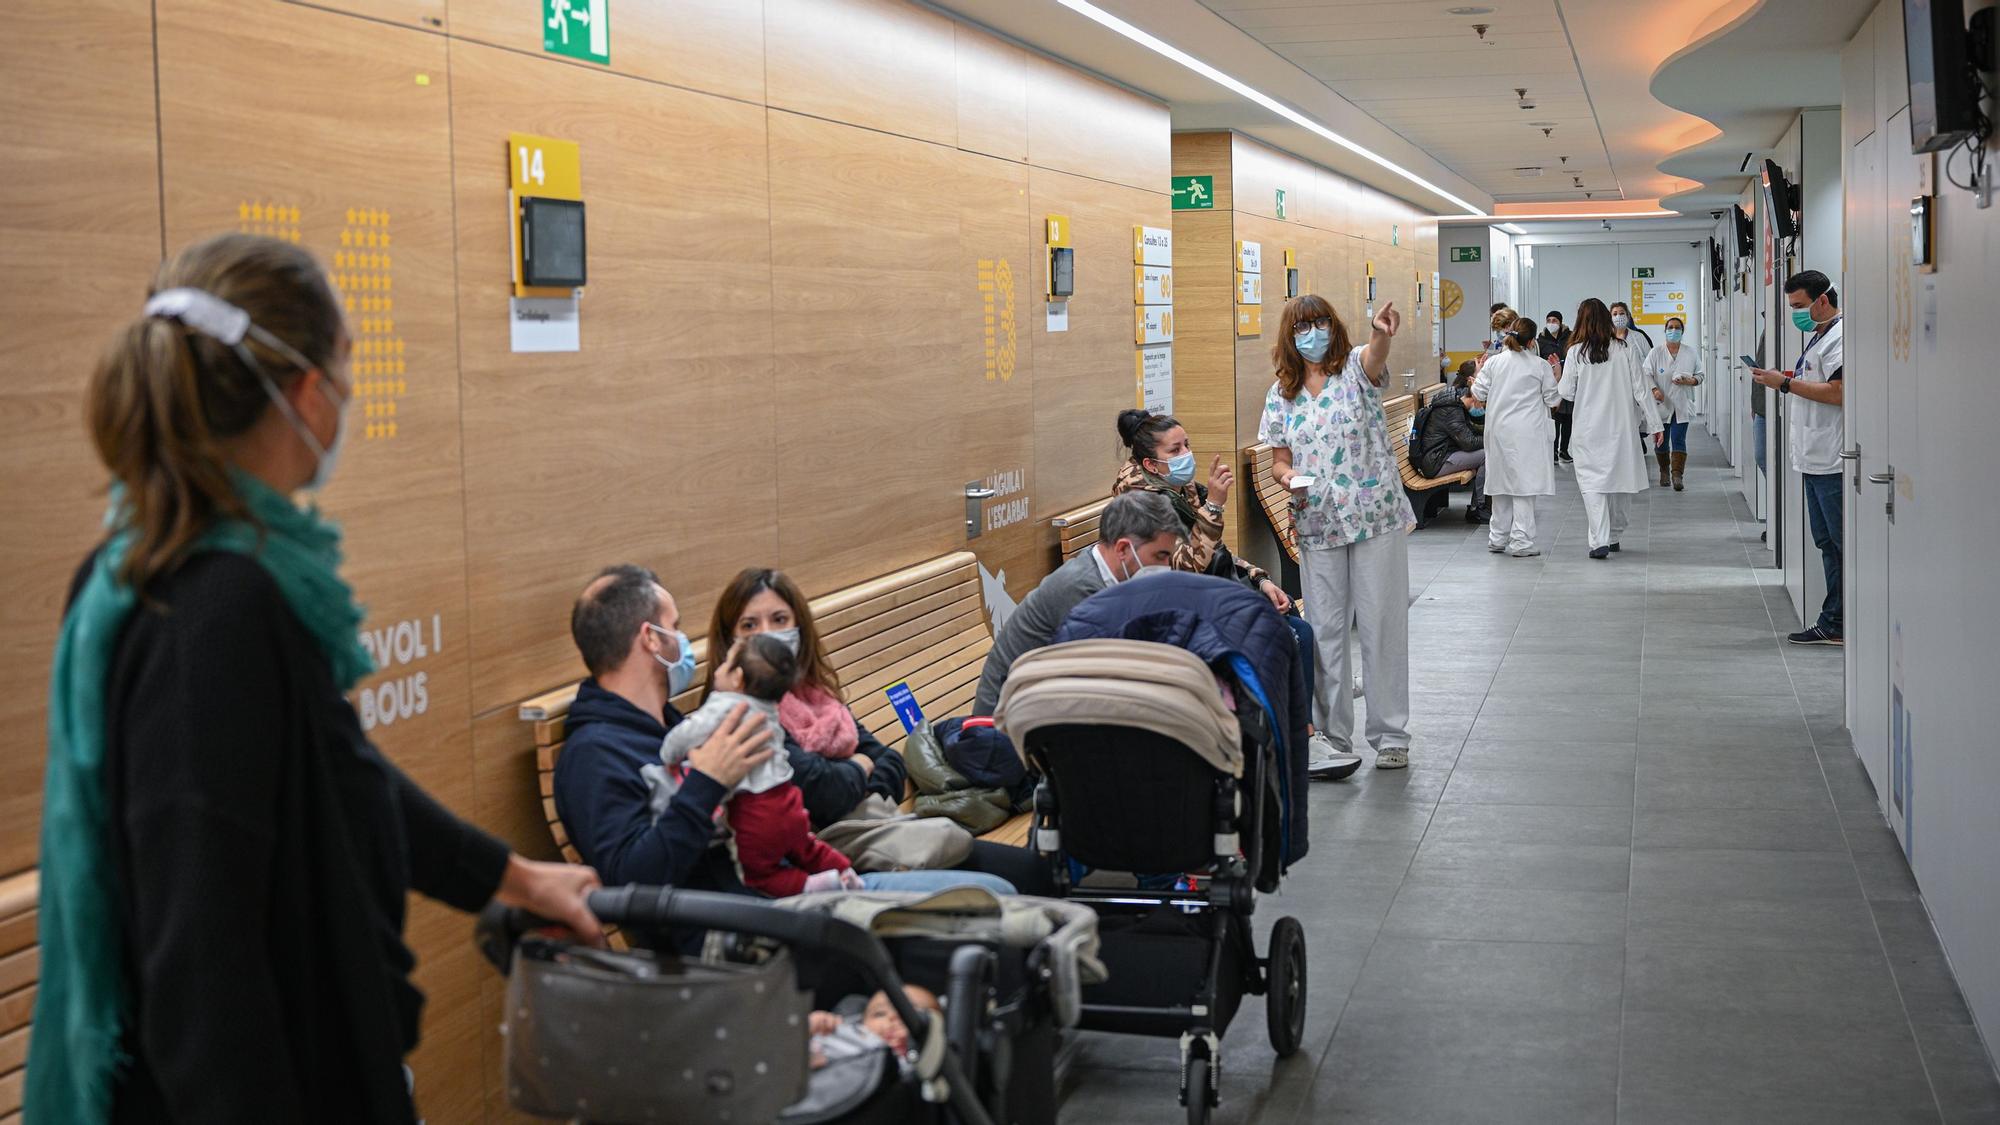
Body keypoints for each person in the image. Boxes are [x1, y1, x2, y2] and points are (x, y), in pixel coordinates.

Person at [35, 233, 602, 1123]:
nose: (346, 391)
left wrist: (519, 879)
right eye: (346, 365)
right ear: (307, 390)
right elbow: (205, 967)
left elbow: (339, 771)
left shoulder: (144, 568)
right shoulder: (218, 609)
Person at [707, 568, 1035, 891]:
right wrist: (858, 766)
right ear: (730, 642)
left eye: (779, 620)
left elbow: (888, 762)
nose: (767, 634)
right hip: (828, 864)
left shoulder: (812, 695)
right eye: (750, 625)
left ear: (798, 627)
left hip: (877, 830)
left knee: (1032, 872)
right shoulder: (740, 713)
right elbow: (824, 791)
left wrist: (856, 779)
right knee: (1015, 882)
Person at [1108, 411, 1358, 776]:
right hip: (1171, 605)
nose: (1186, 454)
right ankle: (1300, 741)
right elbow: (1181, 568)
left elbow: (1218, 554)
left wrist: (1259, 580)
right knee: (1290, 635)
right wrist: (1214, 507)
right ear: (1151, 463)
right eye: (1176, 449)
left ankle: (1302, 730)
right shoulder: (1140, 502)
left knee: (1296, 626)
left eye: (1187, 444)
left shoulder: (1177, 488)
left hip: (1206, 590)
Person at [1260, 294, 1416, 770]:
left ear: (1334, 326)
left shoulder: (1354, 369)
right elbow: (1279, 459)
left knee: (1381, 623)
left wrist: (1382, 333)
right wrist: (1289, 479)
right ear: (1290, 336)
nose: (1313, 333)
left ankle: (1391, 733)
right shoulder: (1281, 393)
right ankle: (1332, 735)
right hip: (1317, 521)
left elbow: (1375, 357)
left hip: (1375, 516)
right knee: (1325, 630)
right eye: (1303, 326)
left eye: (1320, 322)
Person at [555, 565, 774, 897]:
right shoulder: (593, 754)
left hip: (771, 894)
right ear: (651, 638)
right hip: (735, 930)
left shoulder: (667, 725)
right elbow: (632, 880)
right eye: (675, 627)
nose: (684, 642)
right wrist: (707, 783)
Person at [657, 634, 858, 896]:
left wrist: (668, 752)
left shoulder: (724, 705)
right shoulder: (769, 708)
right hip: (789, 800)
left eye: (725, 663)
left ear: (737, 678)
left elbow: (687, 734)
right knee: (807, 848)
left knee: (758, 876)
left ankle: (811, 885)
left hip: (755, 811)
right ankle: (847, 873)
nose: (717, 668)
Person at [973, 490, 1182, 714]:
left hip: (1043, 706)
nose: (1167, 566)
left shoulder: (1105, 575)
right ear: (1122, 549)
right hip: (1005, 723)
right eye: (1160, 556)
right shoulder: (1081, 590)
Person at [1752, 270, 1845, 646]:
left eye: (1800, 307)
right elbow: (1820, 380)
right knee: (1826, 543)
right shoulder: (1820, 336)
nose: (1796, 315)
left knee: (1840, 545)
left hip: (1833, 461)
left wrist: (1786, 384)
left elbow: (1839, 392)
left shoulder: (1841, 336)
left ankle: (1838, 621)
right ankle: (1835, 621)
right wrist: (1785, 376)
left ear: (1823, 299)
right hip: (1814, 458)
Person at [1561, 298, 1665, 559]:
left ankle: (1599, 540)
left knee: (1592, 485)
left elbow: (1566, 392)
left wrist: (1556, 372)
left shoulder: (1575, 352)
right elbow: (1641, 389)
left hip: (1587, 429)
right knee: (1620, 482)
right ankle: (1615, 534)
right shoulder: (1624, 348)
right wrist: (1655, 424)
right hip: (1621, 429)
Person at [1472, 316, 1562, 556]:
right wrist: (1557, 374)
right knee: (1524, 486)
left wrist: (1479, 370)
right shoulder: (1539, 365)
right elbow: (1553, 399)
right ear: (1532, 341)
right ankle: (1521, 542)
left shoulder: (1494, 363)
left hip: (1499, 431)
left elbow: (1478, 392)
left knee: (1500, 484)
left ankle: (1497, 538)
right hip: (1527, 433)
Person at [1413, 365, 1488, 523]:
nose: (1483, 409)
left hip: (1441, 454)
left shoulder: (1457, 400)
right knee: (1486, 456)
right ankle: (1478, 508)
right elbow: (1468, 442)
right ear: (1475, 399)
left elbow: (1473, 427)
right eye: (1483, 405)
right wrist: (1491, 439)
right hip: (1436, 461)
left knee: (1486, 452)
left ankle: (1480, 505)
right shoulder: (1451, 410)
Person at [1642, 315, 1704, 491]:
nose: (1674, 331)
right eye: (1670, 327)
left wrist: (1690, 381)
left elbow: (1700, 375)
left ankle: (1677, 475)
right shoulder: (1656, 352)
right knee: (1661, 441)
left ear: (1682, 332)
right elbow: (1646, 373)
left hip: (1681, 404)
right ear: (1665, 330)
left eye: (1677, 328)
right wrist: (1654, 389)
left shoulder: (1690, 353)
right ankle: (1663, 470)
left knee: (1679, 439)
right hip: (1661, 404)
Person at [1538, 310, 1574, 463]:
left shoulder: (1570, 337)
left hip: (1568, 380)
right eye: (1549, 320)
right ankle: (1552, 450)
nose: (1551, 323)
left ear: (1560, 322)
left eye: (1555, 320)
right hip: (1551, 383)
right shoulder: (1541, 340)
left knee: (1568, 418)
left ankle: (1564, 450)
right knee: (1554, 418)